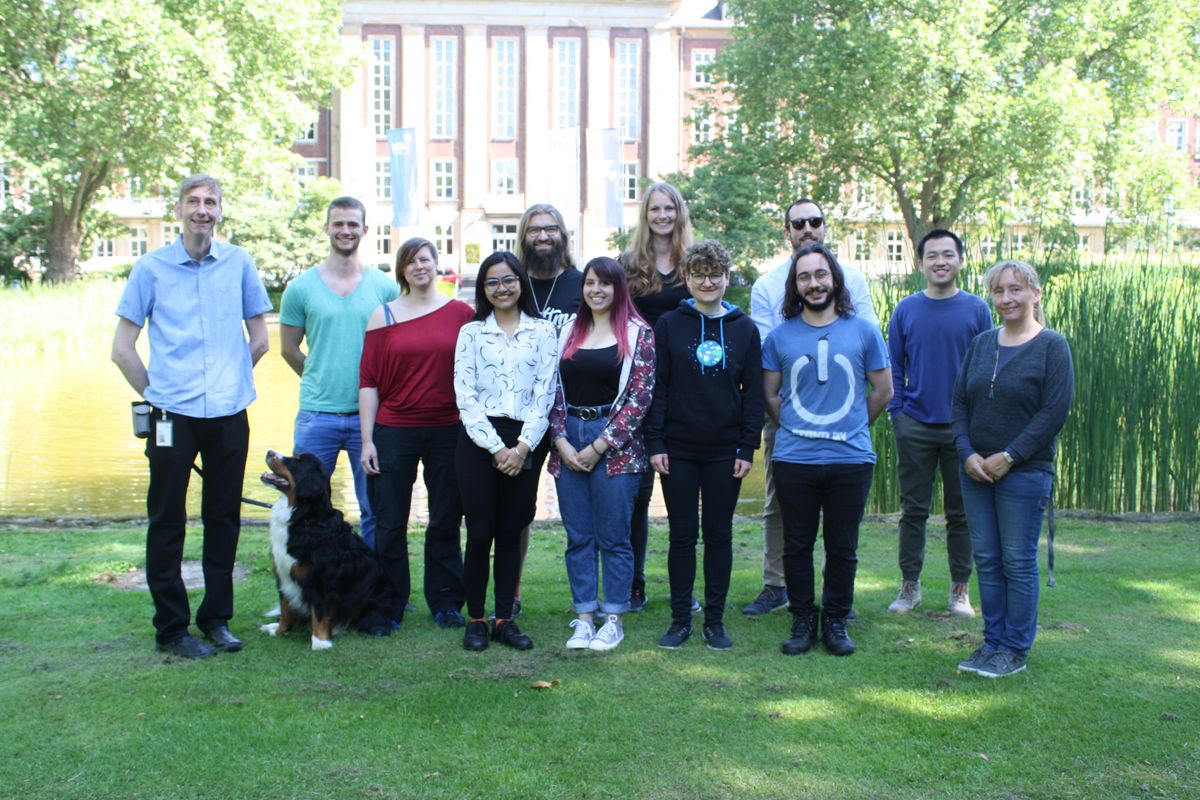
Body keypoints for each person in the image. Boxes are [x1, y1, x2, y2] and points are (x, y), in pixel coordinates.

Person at [111, 174, 271, 659]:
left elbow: (260, 339)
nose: (203, 209)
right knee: (167, 519)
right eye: (194, 201)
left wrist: (230, 381)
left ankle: (216, 620)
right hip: (171, 415)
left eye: (211, 202)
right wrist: (157, 396)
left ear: (220, 210)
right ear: (179, 209)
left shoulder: (239, 263)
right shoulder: (150, 268)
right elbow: (122, 349)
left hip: (228, 414)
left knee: (224, 518)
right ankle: (172, 630)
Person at [743, 197, 879, 617]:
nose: (807, 228)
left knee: (840, 518)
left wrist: (855, 419)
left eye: (814, 221)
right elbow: (771, 351)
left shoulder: (852, 279)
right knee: (778, 503)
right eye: (798, 223)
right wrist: (790, 419)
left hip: (844, 412)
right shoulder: (767, 286)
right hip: (787, 411)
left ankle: (836, 597)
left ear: (824, 226)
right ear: (787, 231)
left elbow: (867, 340)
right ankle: (776, 585)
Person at [763, 244, 892, 657]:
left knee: (842, 546)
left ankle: (836, 619)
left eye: (820, 274)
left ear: (834, 278)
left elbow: (883, 390)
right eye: (804, 277)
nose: (814, 283)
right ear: (795, 285)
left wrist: (851, 424)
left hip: (850, 459)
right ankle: (803, 618)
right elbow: (770, 396)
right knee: (797, 544)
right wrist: (797, 427)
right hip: (794, 458)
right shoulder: (780, 337)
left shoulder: (864, 332)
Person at [952, 260, 1073, 678]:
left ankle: (1014, 649)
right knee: (987, 559)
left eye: (1016, 289)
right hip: (976, 472)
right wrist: (967, 453)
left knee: (1017, 561)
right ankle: (992, 643)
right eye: (999, 291)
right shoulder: (982, 344)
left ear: (1035, 294)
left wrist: (1010, 456)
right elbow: (959, 404)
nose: (1007, 298)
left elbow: (1053, 412)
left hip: (1024, 471)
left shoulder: (1052, 346)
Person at [645, 240, 763, 650]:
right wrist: (655, 441)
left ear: (727, 278)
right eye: (699, 275)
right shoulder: (669, 325)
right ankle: (681, 620)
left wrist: (747, 447)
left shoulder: (745, 329)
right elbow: (658, 386)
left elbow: (754, 394)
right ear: (687, 278)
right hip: (677, 448)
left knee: (718, 534)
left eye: (715, 275)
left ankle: (714, 621)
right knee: (681, 535)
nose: (708, 282)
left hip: (725, 451)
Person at [359, 238, 474, 630]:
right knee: (390, 521)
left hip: (450, 429)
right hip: (394, 429)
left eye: (425, 259)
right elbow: (368, 381)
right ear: (402, 270)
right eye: (411, 261)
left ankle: (446, 602)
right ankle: (388, 605)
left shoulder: (462, 314)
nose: (419, 266)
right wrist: (367, 440)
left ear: (437, 263)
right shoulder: (384, 316)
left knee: (445, 518)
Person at [279, 197, 398, 551]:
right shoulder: (301, 288)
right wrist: (320, 377)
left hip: (370, 419)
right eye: (338, 224)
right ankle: (308, 579)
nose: (345, 230)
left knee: (374, 508)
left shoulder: (385, 288)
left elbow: (396, 351)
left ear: (365, 230)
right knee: (304, 506)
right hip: (317, 417)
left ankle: (375, 580)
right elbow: (289, 349)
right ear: (327, 228)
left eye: (352, 224)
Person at [453, 251, 558, 652]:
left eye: (509, 279)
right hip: (479, 440)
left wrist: (523, 448)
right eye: (493, 281)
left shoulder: (543, 331)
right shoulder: (471, 333)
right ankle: (477, 619)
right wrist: (498, 449)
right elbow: (465, 397)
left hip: (526, 439)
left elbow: (545, 394)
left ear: (520, 282)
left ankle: (504, 619)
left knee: (512, 531)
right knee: (480, 532)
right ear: (483, 288)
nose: (502, 288)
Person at [549, 257, 654, 652]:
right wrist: (560, 440)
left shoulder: (638, 334)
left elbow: (640, 398)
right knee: (579, 536)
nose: (596, 290)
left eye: (605, 283)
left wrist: (599, 446)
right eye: (590, 283)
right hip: (569, 438)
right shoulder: (566, 332)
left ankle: (613, 619)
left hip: (615, 446)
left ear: (618, 288)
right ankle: (583, 617)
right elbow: (550, 391)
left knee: (614, 537)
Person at [886, 229, 992, 617]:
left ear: (960, 260)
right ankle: (909, 587)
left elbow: (987, 366)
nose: (940, 261)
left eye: (948, 254)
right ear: (920, 264)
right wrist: (897, 413)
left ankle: (960, 589)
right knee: (913, 510)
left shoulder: (977, 309)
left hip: (963, 429)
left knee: (961, 513)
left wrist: (978, 420)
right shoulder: (906, 309)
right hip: (914, 423)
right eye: (932, 255)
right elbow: (894, 365)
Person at [620, 181, 694, 612]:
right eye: (655, 209)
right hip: (637, 386)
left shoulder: (693, 262)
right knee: (636, 496)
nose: (663, 216)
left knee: (682, 497)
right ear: (645, 215)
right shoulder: (629, 265)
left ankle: (684, 590)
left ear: (679, 213)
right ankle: (633, 584)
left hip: (684, 388)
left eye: (669, 208)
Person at [512, 203, 584, 616]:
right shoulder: (511, 283)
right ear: (523, 236)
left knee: (581, 512)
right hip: (520, 413)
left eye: (551, 229)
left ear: (563, 235)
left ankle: (590, 597)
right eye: (535, 230)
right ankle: (513, 590)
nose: (543, 236)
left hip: (571, 412)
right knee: (518, 510)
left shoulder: (581, 283)